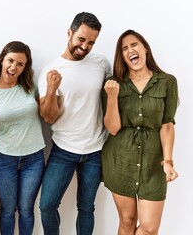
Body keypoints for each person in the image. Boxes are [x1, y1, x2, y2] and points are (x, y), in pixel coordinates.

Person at [38, 12, 112, 235]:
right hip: (63, 149)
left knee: (87, 208)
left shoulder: (101, 63)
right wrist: (51, 89)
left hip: (96, 149)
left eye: (91, 42)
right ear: (69, 32)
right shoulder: (50, 71)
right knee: (47, 206)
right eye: (81, 39)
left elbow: (111, 96)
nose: (85, 46)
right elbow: (49, 117)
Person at [102, 29, 179, 234]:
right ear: (122, 56)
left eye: (134, 45)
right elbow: (113, 128)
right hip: (120, 158)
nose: (130, 51)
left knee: (149, 227)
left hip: (154, 162)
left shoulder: (167, 82)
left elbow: (168, 124)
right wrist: (111, 97)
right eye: (124, 48)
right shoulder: (113, 83)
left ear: (145, 48)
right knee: (127, 222)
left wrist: (168, 161)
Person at [0, 41, 46, 235]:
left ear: (25, 67)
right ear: (2, 60)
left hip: (34, 159)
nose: (14, 67)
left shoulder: (30, 87)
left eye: (20, 64)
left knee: (27, 210)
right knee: (7, 210)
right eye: (10, 61)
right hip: (5, 160)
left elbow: (47, 114)